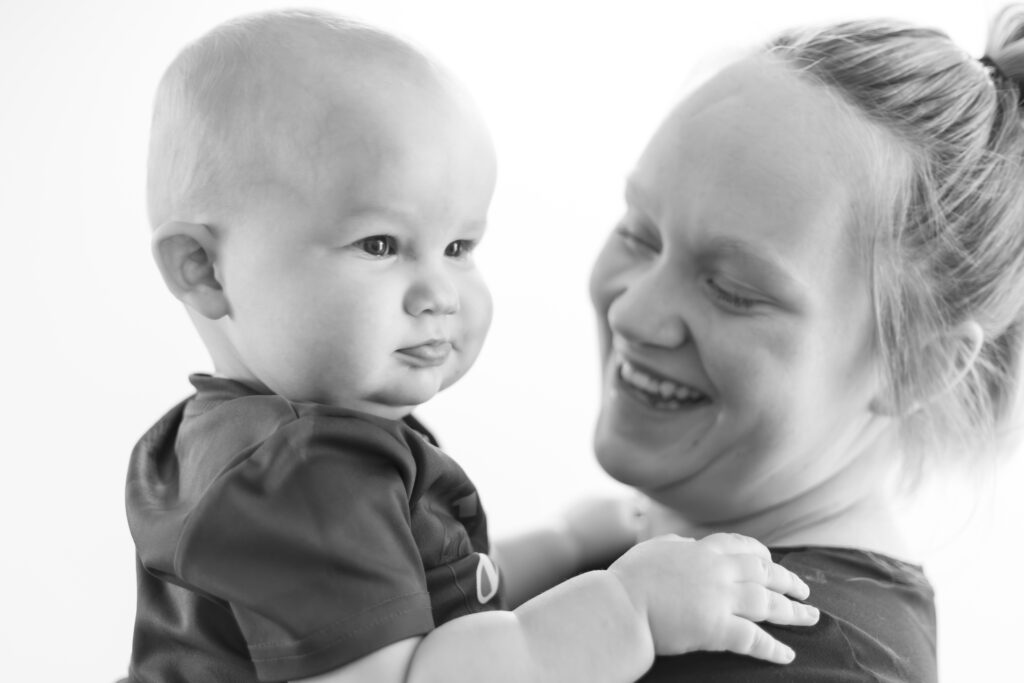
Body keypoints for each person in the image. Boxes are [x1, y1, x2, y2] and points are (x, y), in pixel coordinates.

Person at [124, 8, 820, 683]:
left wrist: (565, 545)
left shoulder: (266, 442)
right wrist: (628, 607)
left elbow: (436, 601)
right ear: (204, 269)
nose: (440, 292)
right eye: (381, 244)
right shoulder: (299, 477)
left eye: (459, 246)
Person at [587, 6, 1024, 682]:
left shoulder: (808, 665)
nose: (634, 312)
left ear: (919, 366)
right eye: (641, 234)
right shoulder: (632, 559)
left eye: (732, 288)